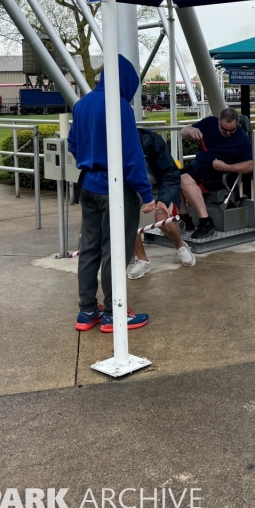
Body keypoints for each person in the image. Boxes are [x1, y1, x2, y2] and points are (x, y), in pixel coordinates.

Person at [68, 55, 156, 333]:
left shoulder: (82, 104)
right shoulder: (119, 106)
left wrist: (90, 158)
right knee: (115, 250)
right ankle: (113, 312)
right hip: (116, 188)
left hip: (89, 185)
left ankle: (87, 311)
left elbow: (72, 144)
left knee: (89, 249)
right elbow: (132, 155)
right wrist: (146, 192)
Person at [129, 127, 196, 278]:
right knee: (128, 221)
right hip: (132, 188)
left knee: (163, 222)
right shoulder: (110, 141)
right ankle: (141, 260)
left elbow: (170, 173)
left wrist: (163, 201)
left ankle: (180, 244)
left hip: (159, 185)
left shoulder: (151, 139)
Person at [179, 108, 254, 239]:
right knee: (172, 177)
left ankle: (206, 221)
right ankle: (185, 219)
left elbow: (250, 165)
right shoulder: (209, 123)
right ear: (218, 122)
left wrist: (226, 166)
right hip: (199, 167)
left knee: (184, 179)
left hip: (221, 174)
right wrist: (191, 130)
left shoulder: (242, 139)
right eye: (224, 129)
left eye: (232, 130)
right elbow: (183, 133)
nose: (228, 133)